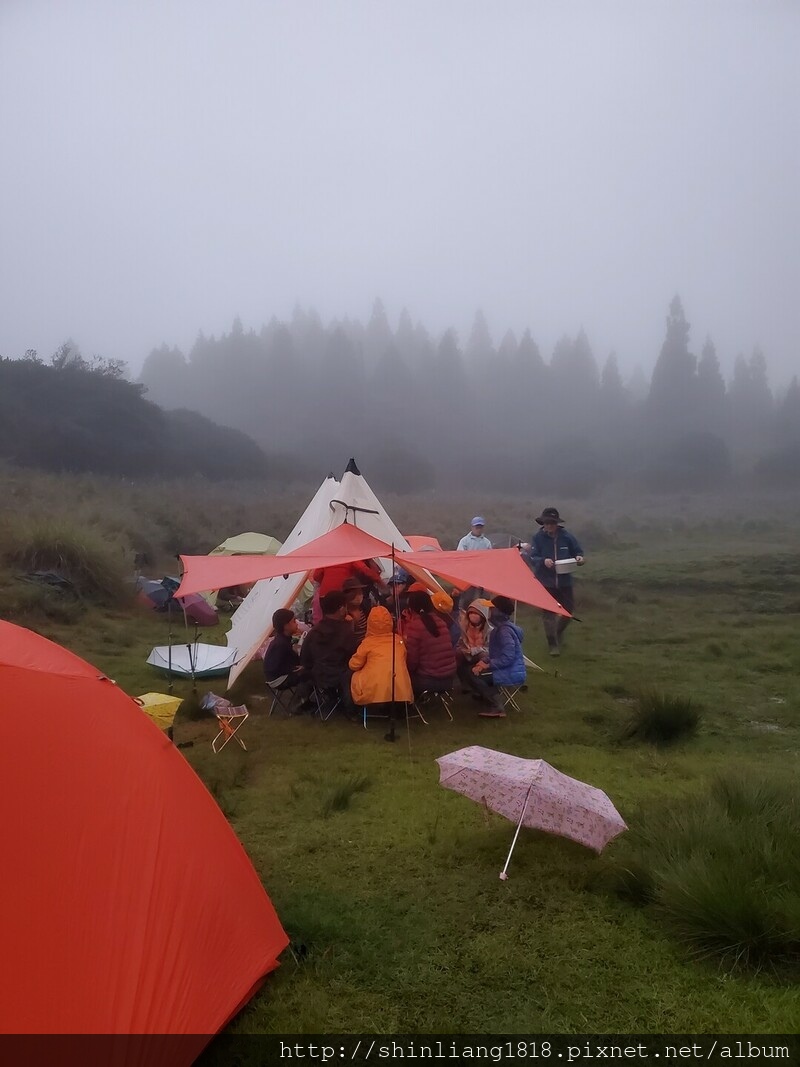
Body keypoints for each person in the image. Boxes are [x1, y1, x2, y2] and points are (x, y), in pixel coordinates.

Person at [521, 506, 585, 656]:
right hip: (546, 582)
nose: (549, 526)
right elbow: (533, 557)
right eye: (547, 523)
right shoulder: (537, 538)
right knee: (548, 614)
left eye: (552, 523)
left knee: (568, 612)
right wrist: (543, 561)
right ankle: (552, 645)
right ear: (543, 523)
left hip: (565, 581)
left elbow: (578, 551)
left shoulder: (567, 537)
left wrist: (580, 558)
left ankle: (558, 632)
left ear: (557, 523)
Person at [300, 591, 360, 714]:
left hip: (317, 676)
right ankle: (353, 707)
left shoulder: (314, 631)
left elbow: (305, 657)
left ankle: (331, 699)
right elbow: (357, 655)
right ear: (342, 609)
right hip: (341, 677)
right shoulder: (345, 631)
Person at [349, 605, 413, 709]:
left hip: (372, 694)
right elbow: (404, 658)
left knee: (355, 675)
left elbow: (353, 665)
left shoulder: (368, 642)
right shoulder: (397, 640)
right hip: (401, 693)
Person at [401, 589, 457, 697]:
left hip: (428, 681)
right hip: (449, 678)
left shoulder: (415, 627)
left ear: (411, 608)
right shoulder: (441, 622)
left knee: (398, 675)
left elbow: (412, 662)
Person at [455, 598, 504, 713]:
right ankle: (466, 686)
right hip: (466, 655)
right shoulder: (464, 627)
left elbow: (490, 649)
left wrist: (474, 650)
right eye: (471, 612)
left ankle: (486, 693)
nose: (473, 615)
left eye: (476, 613)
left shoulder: (490, 630)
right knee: (457, 656)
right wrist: (463, 649)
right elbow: (459, 643)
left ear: (483, 615)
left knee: (479, 660)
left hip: (483, 657)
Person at [484, 595, 526, 718]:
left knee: (476, 677)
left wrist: (489, 664)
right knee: (475, 671)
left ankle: (497, 707)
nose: (490, 611)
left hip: (510, 672)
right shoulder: (501, 629)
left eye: (492, 609)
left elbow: (508, 657)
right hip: (509, 670)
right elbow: (497, 654)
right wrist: (485, 660)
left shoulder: (504, 632)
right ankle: (491, 701)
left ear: (498, 612)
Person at [456, 516, 493, 609]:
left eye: (480, 527)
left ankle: (483, 616)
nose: (478, 529)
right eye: (477, 527)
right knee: (467, 597)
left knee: (484, 598)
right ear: (472, 527)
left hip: (483, 574)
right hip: (468, 574)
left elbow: (490, 558)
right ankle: (464, 615)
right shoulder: (464, 541)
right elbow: (460, 556)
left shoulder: (487, 542)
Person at [342, 576, 370, 642]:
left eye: (360, 592)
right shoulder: (343, 614)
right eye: (355, 593)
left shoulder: (365, 607)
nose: (359, 595)